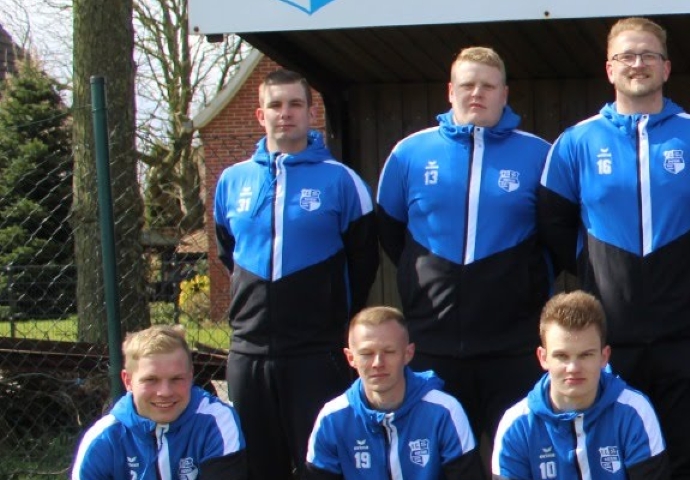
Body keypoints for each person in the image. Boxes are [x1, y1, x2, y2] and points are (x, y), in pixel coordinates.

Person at [536, 17, 690, 479]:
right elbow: (553, 221)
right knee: (614, 460)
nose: (638, 64)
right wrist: (591, 265)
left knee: (686, 459)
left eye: (648, 55)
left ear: (666, 67)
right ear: (609, 69)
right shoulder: (576, 142)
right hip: (611, 337)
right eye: (626, 56)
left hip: (686, 335)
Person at [374, 46, 551, 452]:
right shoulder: (408, 153)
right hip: (432, 343)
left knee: (515, 458)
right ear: (450, 91)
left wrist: (521, 283)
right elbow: (390, 232)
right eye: (468, 84)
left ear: (504, 94)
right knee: (438, 461)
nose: (477, 93)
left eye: (488, 86)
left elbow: (556, 236)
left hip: (513, 345)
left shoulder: (539, 154)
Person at [211, 68, 372, 479]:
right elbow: (228, 250)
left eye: (296, 104)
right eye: (276, 105)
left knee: (321, 466)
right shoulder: (231, 181)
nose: (286, 113)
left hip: (315, 354)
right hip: (248, 353)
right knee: (258, 468)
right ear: (260, 114)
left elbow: (364, 262)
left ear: (311, 113)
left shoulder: (342, 181)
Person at [493, 291, 669, 480]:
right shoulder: (516, 425)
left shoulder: (635, 412)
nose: (573, 368)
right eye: (562, 356)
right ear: (543, 358)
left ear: (604, 357)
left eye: (586, 355)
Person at [306, 307, 481, 479]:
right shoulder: (331, 418)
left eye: (389, 352)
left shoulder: (445, 411)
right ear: (351, 358)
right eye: (367, 353)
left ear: (408, 354)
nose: (378, 363)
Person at [73, 326, 246, 479]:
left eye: (176, 379)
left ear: (190, 375)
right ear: (128, 381)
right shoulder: (103, 438)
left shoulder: (217, 422)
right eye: (151, 380)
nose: (165, 392)